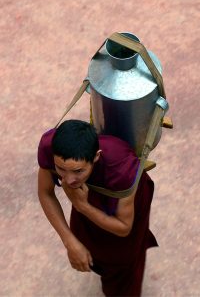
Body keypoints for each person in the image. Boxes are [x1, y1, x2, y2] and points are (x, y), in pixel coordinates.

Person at [37, 119, 158, 296]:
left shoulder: (123, 170)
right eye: (61, 169)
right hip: (87, 191)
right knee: (84, 239)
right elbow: (45, 193)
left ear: (96, 156)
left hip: (125, 202)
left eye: (78, 171)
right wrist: (69, 241)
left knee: (123, 267)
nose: (69, 180)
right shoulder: (50, 147)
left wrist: (82, 205)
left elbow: (124, 228)